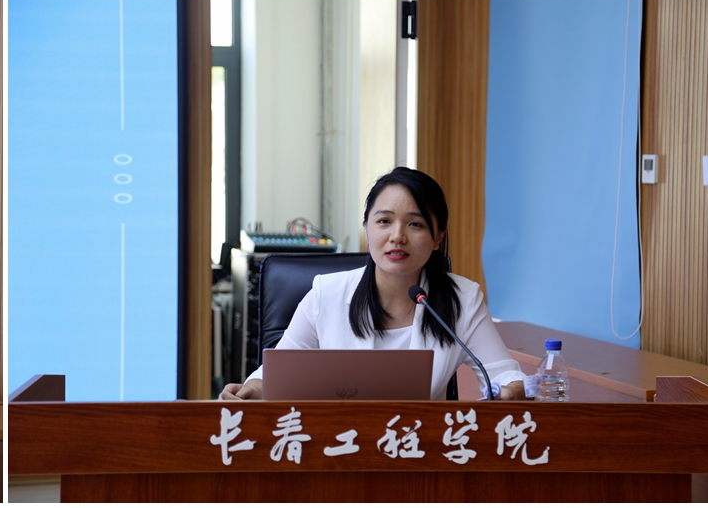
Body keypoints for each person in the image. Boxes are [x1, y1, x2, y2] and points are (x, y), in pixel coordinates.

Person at [221, 167, 527, 401]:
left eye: (415, 224)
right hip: (337, 444)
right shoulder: (326, 294)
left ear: (438, 238)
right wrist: (253, 389)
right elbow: (276, 374)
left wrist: (511, 390)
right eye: (384, 221)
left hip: (418, 448)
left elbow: (504, 376)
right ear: (367, 227)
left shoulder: (462, 298)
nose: (397, 236)